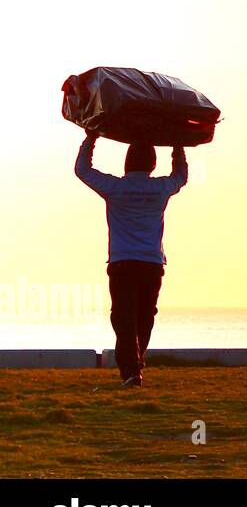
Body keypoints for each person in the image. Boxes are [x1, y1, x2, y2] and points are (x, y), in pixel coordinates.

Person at [75, 130, 188, 388]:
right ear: (152, 164)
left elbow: (82, 170)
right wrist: (178, 146)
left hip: (123, 262)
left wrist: (91, 139)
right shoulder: (159, 188)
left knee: (124, 317)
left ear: (127, 162)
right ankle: (135, 366)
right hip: (152, 263)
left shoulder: (115, 188)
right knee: (145, 316)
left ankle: (131, 371)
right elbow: (180, 177)